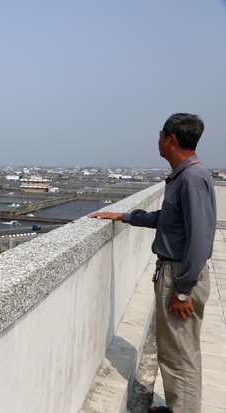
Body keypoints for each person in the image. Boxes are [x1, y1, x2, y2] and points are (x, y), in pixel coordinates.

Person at [89, 113, 216, 413]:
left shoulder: (192, 180)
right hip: (175, 272)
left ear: (171, 139)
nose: (157, 140)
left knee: (180, 356)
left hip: (181, 274)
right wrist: (124, 215)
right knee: (176, 351)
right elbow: (168, 221)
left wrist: (183, 290)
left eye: (160, 135)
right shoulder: (185, 176)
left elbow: (200, 240)